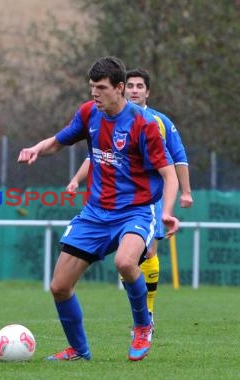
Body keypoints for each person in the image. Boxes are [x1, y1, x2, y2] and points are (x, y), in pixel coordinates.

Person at [18, 56, 179, 361]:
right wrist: (37, 148)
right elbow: (58, 142)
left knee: (124, 262)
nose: (95, 93)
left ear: (119, 88)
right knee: (59, 286)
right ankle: (79, 350)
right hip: (94, 214)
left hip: (135, 211)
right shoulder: (89, 113)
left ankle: (143, 325)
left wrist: (168, 211)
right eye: (92, 87)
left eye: (101, 88)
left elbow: (169, 174)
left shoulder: (143, 125)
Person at [66, 67, 193, 331]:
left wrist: (186, 192)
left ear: (147, 92)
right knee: (131, 260)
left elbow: (178, 158)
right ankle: (141, 313)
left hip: (149, 195)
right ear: (125, 88)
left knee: (147, 251)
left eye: (140, 86)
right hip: (112, 198)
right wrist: (77, 180)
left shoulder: (157, 121)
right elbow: (96, 156)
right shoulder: (105, 116)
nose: (135, 90)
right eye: (132, 85)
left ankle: (148, 311)